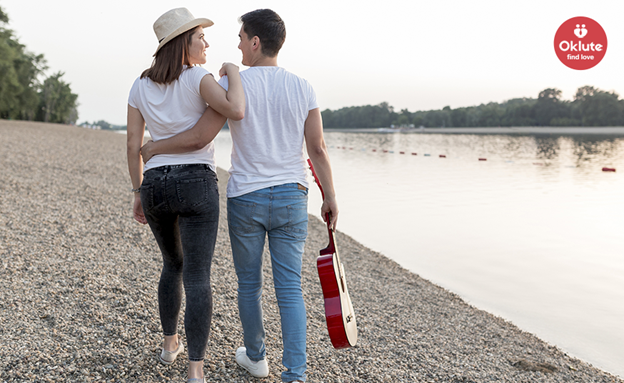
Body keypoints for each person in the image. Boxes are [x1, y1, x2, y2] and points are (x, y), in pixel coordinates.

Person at [141, 9, 338, 383]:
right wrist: (330, 196)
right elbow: (318, 148)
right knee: (290, 287)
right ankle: (295, 374)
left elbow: (204, 133)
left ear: (255, 42)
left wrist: (157, 147)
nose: (236, 45)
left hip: (246, 194)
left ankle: (257, 357)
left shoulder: (236, 87)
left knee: (250, 284)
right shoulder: (303, 86)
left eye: (240, 37)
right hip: (293, 194)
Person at [126, 7, 245, 383]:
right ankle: (195, 370)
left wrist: (137, 190)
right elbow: (235, 110)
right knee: (197, 276)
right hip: (196, 182)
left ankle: (168, 346)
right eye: (200, 37)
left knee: (172, 266)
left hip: (155, 184)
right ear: (182, 44)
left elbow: (133, 144)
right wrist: (235, 73)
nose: (206, 42)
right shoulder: (197, 76)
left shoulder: (139, 85)